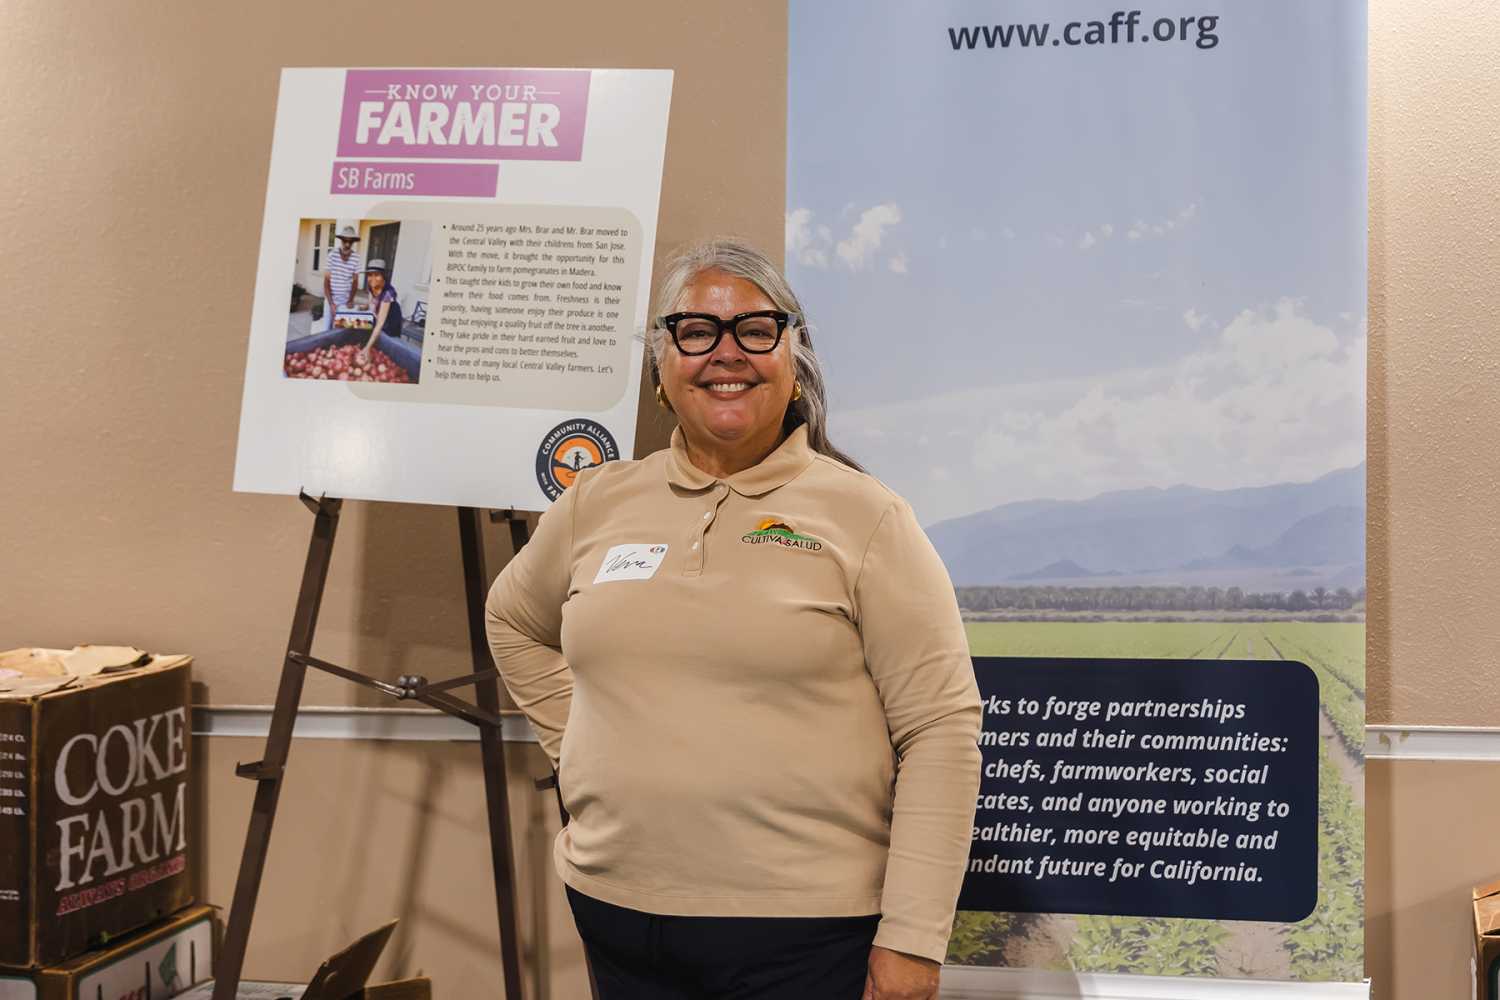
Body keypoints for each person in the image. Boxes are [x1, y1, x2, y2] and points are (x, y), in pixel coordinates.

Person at [485, 238, 981, 1000]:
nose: (726, 353)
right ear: (661, 368)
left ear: (794, 360)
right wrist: (576, 750)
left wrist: (913, 940)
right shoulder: (597, 502)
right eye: (695, 331)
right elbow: (512, 621)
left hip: (804, 937)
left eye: (756, 329)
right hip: (617, 915)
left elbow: (941, 730)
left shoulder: (867, 516)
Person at [357, 259, 401, 362]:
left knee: (387, 342)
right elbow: (372, 299)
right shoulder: (371, 286)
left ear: (383, 276)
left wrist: (367, 348)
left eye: (377, 275)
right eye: (370, 275)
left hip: (391, 320)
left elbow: (380, 323)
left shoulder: (388, 294)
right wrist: (366, 306)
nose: (372, 279)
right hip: (379, 315)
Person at [323, 225, 361, 329]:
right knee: (326, 328)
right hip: (331, 298)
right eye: (345, 241)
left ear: (353, 242)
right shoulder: (332, 255)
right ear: (341, 240)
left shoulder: (356, 258)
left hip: (345, 300)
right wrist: (331, 304)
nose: (347, 244)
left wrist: (350, 300)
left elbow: (355, 281)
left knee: (340, 329)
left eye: (350, 241)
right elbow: (326, 282)